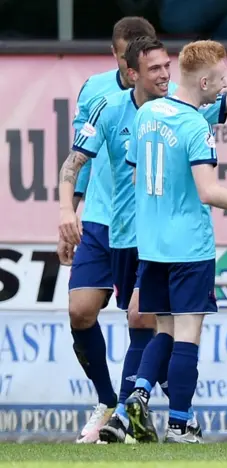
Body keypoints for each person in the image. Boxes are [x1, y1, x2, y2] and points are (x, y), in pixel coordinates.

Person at [123, 40, 227, 444]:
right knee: (188, 333)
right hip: (189, 245)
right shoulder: (195, 127)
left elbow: (137, 175)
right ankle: (178, 424)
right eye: (222, 79)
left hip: (152, 244)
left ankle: (137, 395)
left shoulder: (147, 113)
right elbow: (208, 193)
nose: (225, 86)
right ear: (205, 80)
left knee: (164, 330)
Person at [57, 16, 157, 444]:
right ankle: (107, 401)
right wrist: (68, 212)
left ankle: (128, 414)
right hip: (100, 219)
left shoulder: (164, 95)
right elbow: (80, 156)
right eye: (124, 58)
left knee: (142, 317)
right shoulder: (96, 91)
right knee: (80, 311)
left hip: (149, 225)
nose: (133, 66)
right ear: (115, 56)